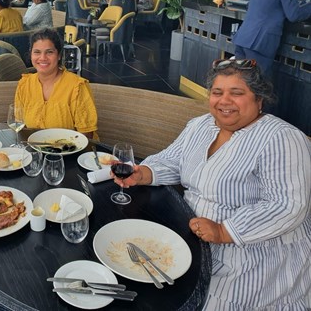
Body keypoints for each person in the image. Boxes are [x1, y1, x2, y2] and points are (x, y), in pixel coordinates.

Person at [113, 59, 311, 310]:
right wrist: (144, 173)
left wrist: (224, 231)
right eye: (217, 93)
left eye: (236, 93)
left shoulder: (281, 138)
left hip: (251, 249)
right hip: (192, 233)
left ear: (258, 99)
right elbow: (173, 160)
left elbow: (286, 205)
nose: (224, 101)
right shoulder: (201, 125)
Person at [15, 28, 98, 138]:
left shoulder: (76, 87)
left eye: (49, 52)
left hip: (72, 151)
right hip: (35, 150)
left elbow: (86, 134)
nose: (42, 58)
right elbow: (20, 124)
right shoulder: (24, 85)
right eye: (37, 52)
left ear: (59, 55)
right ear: (31, 55)